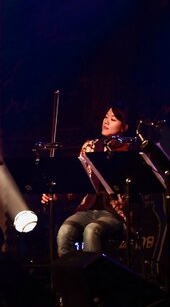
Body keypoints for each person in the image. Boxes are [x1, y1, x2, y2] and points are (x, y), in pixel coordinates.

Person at [41, 102, 132, 257]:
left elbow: (135, 190)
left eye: (113, 119)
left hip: (115, 214)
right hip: (88, 209)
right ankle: (70, 277)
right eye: (105, 117)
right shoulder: (89, 146)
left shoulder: (130, 151)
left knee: (91, 230)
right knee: (65, 231)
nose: (106, 121)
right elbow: (77, 182)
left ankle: (92, 279)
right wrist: (58, 195)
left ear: (124, 127)